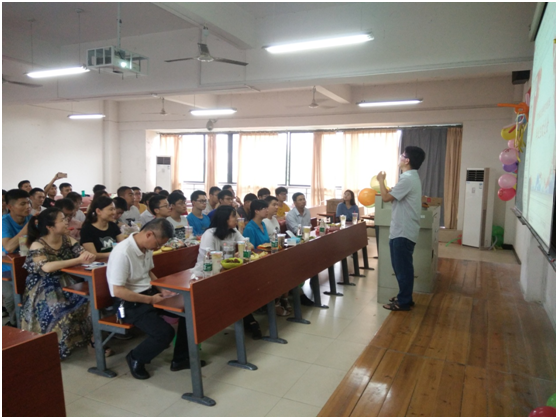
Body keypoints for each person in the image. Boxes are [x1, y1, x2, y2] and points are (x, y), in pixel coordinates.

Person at [107, 218, 206, 379]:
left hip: (150, 294)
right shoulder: (122, 253)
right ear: (149, 234)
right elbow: (118, 291)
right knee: (164, 333)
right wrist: (150, 300)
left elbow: (148, 272)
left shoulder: (146, 247)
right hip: (129, 304)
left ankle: (181, 359)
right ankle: (135, 358)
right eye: (158, 244)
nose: (158, 248)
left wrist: (162, 290)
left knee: (189, 311)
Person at [20, 207, 95, 359]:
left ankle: (90, 341)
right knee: (58, 309)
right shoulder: (37, 244)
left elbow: (84, 255)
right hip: (42, 286)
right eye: (62, 220)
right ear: (50, 227)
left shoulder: (68, 239)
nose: (67, 222)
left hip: (66, 281)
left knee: (89, 302)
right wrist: (78, 260)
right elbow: (46, 267)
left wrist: (87, 256)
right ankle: (56, 348)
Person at [194, 206, 262, 339]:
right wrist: (229, 259)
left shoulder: (233, 231)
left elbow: (249, 245)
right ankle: (248, 320)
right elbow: (209, 258)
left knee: (246, 284)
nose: (237, 219)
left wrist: (241, 251)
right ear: (225, 219)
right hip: (206, 273)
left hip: (226, 271)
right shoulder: (209, 234)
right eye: (234, 216)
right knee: (236, 289)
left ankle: (247, 319)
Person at [377, 146, 425, 311]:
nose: (400, 157)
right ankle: (405, 297)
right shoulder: (410, 178)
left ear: (407, 160)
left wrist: (381, 180)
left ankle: (403, 302)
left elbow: (385, 197)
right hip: (402, 230)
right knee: (403, 267)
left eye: (402, 155)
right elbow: (393, 197)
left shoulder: (407, 179)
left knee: (402, 268)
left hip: (403, 232)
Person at [2, 189, 32, 327]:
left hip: (27, 264)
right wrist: (27, 228)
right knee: (11, 296)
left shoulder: (30, 218)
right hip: (6, 268)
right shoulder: (4, 222)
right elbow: (8, 247)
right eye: (23, 204)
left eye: (28, 203)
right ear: (10, 206)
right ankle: (15, 324)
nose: (28, 207)